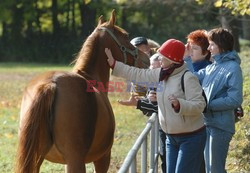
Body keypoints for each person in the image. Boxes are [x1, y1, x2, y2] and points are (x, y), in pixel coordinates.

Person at [105, 38, 207, 173]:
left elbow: (200, 105)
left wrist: (179, 104)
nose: (159, 60)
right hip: (171, 138)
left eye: (163, 58)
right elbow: (138, 73)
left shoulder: (188, 78)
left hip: (191, 138)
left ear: (173, 60)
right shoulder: (162, 73)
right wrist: (114, 64)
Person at [192, 28, 243, 173]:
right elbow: (191, 77)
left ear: (222, 45)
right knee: (210, 169)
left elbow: (235, 99)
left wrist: (208, 105)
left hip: (221, 127)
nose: (208, 48)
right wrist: (185, 58)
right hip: (207, 123)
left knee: (215, 169)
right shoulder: (212, 67)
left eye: (211, 44)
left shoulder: (233, 68)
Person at [123, 54, 167, 173]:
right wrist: (145, 101)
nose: (152, 69)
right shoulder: (152, 82)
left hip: (170, 129)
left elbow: (159, 108)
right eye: (151, 66)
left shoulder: (164, 82)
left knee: (167, 159)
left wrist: (139, 104)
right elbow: (152, 108)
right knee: (164, 157)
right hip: (164, 127)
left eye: (155, 67)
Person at [183, 29, 212, 173]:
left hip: (202, 123)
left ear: (206, 52)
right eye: (189, 47)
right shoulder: (189, 64)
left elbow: (192, 81)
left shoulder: (207, 69)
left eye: (195, 48)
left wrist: (186, 59)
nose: (190, 51)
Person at [118, 37, 158, 105]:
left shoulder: (158, 53)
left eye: (142, 51)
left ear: (148, 48)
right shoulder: (135, 64)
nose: (140, 54)